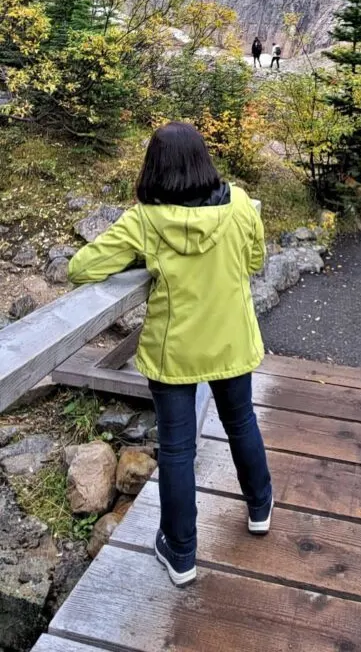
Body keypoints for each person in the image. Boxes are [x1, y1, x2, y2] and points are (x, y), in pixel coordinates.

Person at [67, 122, 272, 589]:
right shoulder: (238, 203)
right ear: (203, 159)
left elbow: (83, 267)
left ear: (154, 166)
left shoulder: (146, 219)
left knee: (178, 451)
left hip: (174, 351)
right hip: (232, 340)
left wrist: (145, 260)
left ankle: (181, 554)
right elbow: (255, 260)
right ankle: (260, 507)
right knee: (241, 423)